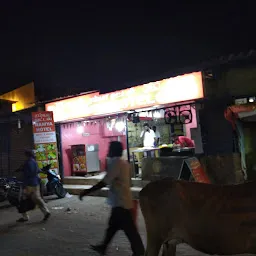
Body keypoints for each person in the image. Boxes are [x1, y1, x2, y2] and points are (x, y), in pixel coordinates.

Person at [79, 141, 145, 256]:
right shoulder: (124, 163)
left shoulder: (116, 163)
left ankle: (139, 252)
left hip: (121, 203)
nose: (108, 150)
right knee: (112, 227)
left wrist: (86, 191)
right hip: (121, 201)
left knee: (130, 231)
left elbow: (105, 181)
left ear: (114, 150)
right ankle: (103, 246)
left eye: (110, 148)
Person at [17, 150, 50, 222]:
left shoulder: (27, 163)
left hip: (28, 184)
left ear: (27, 155)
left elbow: (29, 173)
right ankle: (46, 212)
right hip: (35, 183)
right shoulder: (34, 162)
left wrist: (22, 170)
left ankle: (25, 217)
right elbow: (38, 170)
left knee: (21, 200)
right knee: (37, 199)